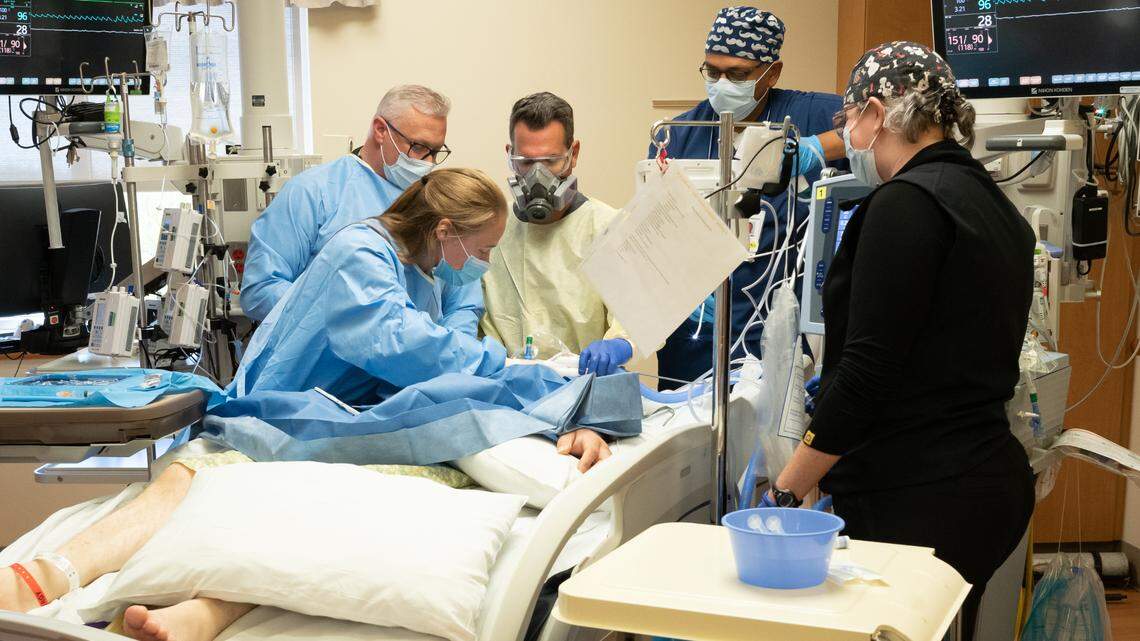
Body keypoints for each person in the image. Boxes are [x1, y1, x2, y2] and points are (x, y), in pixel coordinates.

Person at [0, 169, 613, 641]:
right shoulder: (361, 253)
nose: (483, 264)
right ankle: (47, 575)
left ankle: (202, 613)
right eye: (482, 250)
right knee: (190, 478)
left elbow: (444, 347)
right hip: (280, 411)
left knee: (315, 524)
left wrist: (545, 404)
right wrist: (512, 374)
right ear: (445, 231)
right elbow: (398, 344)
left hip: (343, 425)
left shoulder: (423, 271)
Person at [764, 42, 1036, 641]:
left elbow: (867, 376)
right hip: (988, 482)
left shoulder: (904, 204)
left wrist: (785, 490)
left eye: (848, 118)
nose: (847, 136)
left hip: (921, 493)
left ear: (876, 112)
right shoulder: (995, 206)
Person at [650, 6, 846, 389]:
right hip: (694, 339)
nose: (722, 84)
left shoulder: (808, 114)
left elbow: (885, 124)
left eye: (738, 74)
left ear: (772, 73)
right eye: (712, 72)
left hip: (773, 332)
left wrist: (815, 148)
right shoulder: (681, 134)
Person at [240, 84, 473, 326]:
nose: (429, 162)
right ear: (381, 130)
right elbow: (260, 291)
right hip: (332, 349)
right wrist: (345, 318)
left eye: (436, 151)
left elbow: (463, 304)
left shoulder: (439, 203)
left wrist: (445, 345)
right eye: (419, 147)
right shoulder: (313, 192)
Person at [480, 92, 634, 376]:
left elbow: (634, 315)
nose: (538, 175)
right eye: (526, 162)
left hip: (581, 383)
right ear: (510, 155)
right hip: (505, 386)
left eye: (551, 161)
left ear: (573, 153)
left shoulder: (608, 227)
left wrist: (620, 344)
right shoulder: (489, 232)